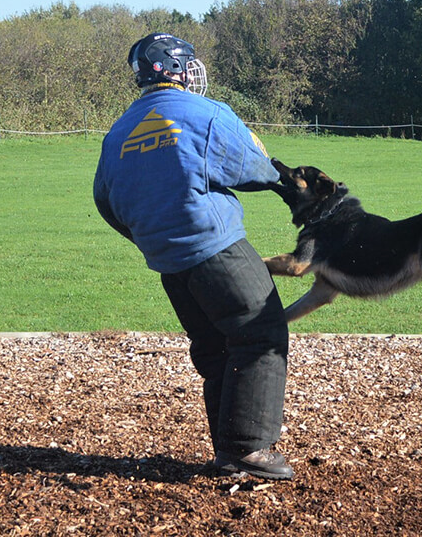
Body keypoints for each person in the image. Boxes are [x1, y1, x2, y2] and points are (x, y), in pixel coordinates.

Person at [93, 33, 293, 480]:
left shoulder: (118, 132)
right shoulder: (204, 113)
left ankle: (228, 451)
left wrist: (153, 236)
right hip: (216, 248)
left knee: (216, 346)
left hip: (169, 263)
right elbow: (256, 172)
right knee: (261, 334)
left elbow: (106, 202)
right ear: (175, 69)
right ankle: (249, 450)